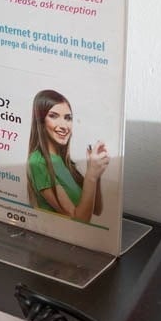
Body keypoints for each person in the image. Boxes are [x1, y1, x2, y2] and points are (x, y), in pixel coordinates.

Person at [26, 89, 108, 222]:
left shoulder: (64, 161)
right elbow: (79, 221)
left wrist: (95, 173)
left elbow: (96, 210)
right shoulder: (38, 161)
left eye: (68, 118)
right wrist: (91, 176)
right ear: (40, 121)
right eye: (53, 116)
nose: (64, 126)